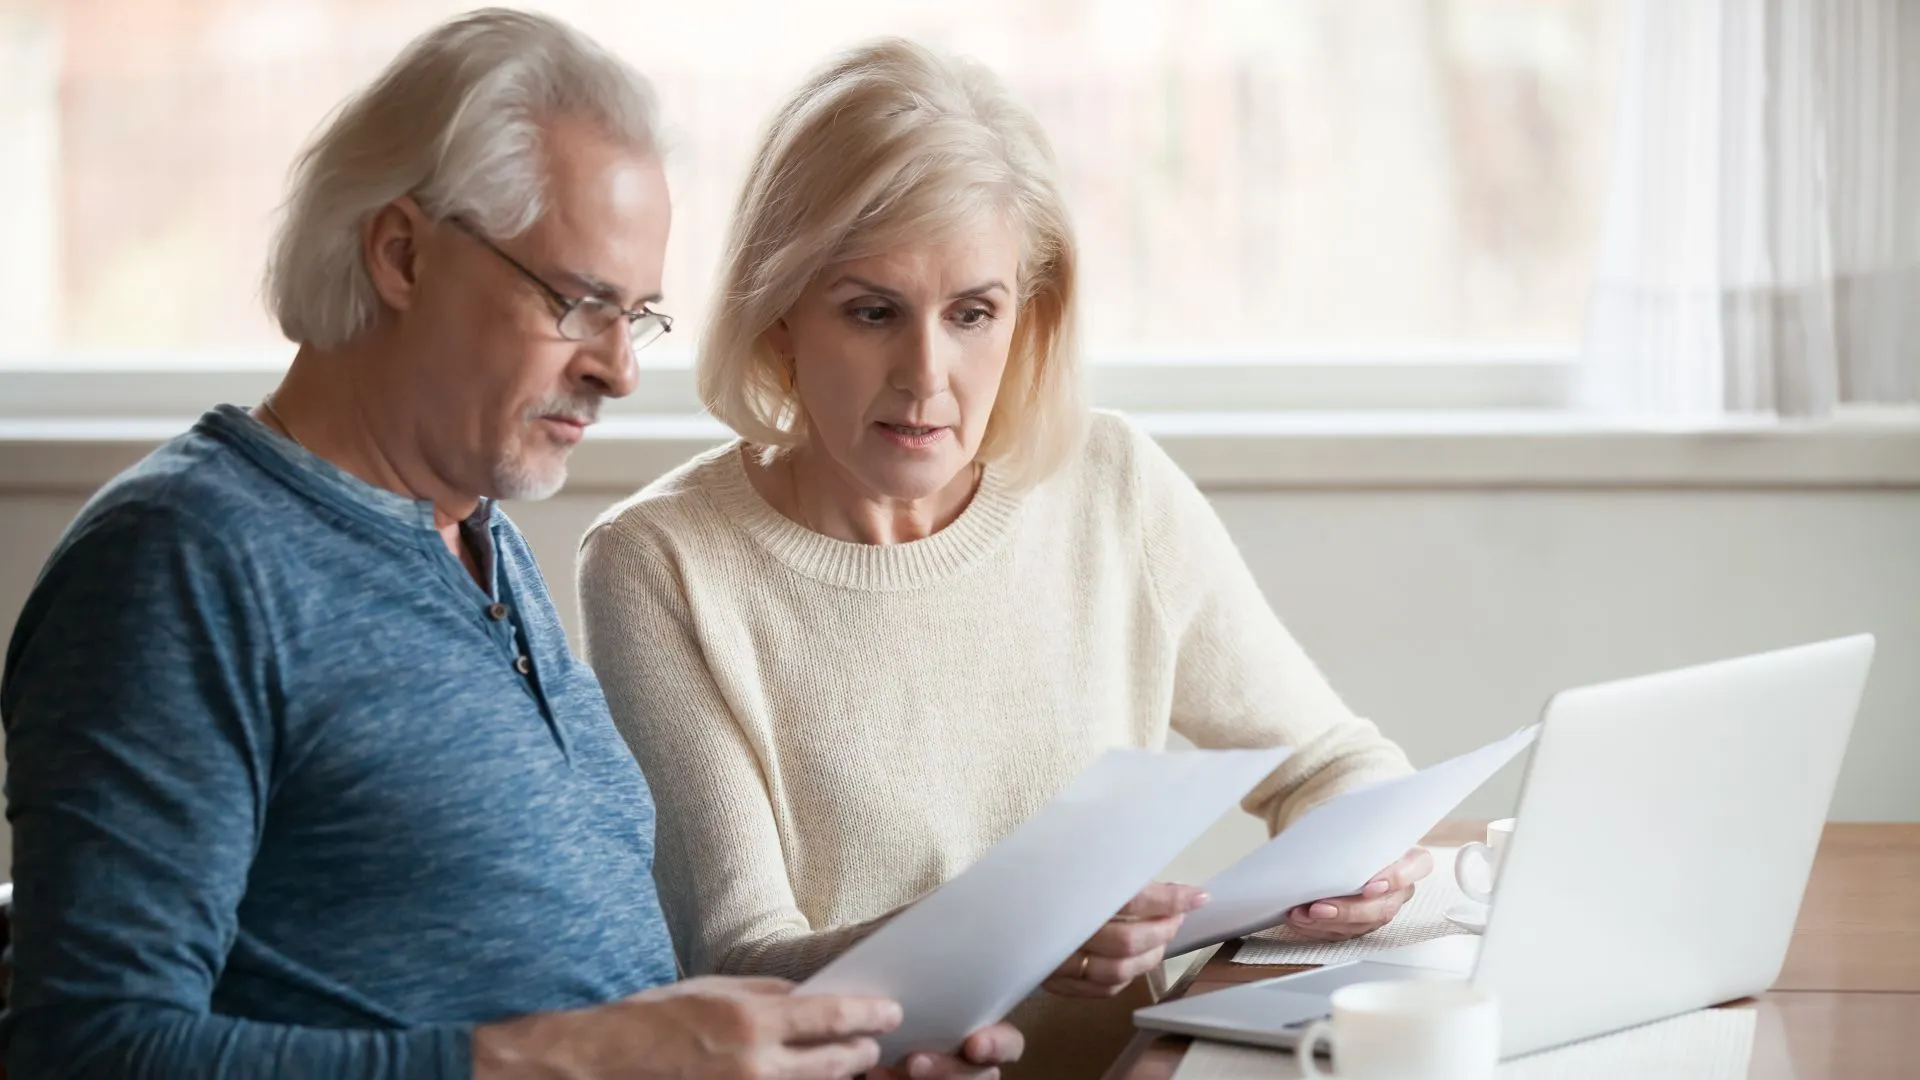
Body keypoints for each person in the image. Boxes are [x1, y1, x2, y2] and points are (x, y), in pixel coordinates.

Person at [0, 12, 1018, 1079]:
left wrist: (845, 1024)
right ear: (401, 253)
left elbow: (591, 1011)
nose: (620, 369)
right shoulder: (182, 565)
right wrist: (566, 1059)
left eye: (638, 316)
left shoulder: (479, 538)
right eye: (580, 303)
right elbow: (90, 1048)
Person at [577, 38, 1433, 1080]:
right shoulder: (659, 564)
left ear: (1028, 317)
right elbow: (744, 964)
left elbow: (1338, 764)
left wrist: (1370, 863)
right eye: (872, 311)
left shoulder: (1111, 482)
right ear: (782, 312)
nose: (926, 375)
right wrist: (1012, 927)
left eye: (973, 313)